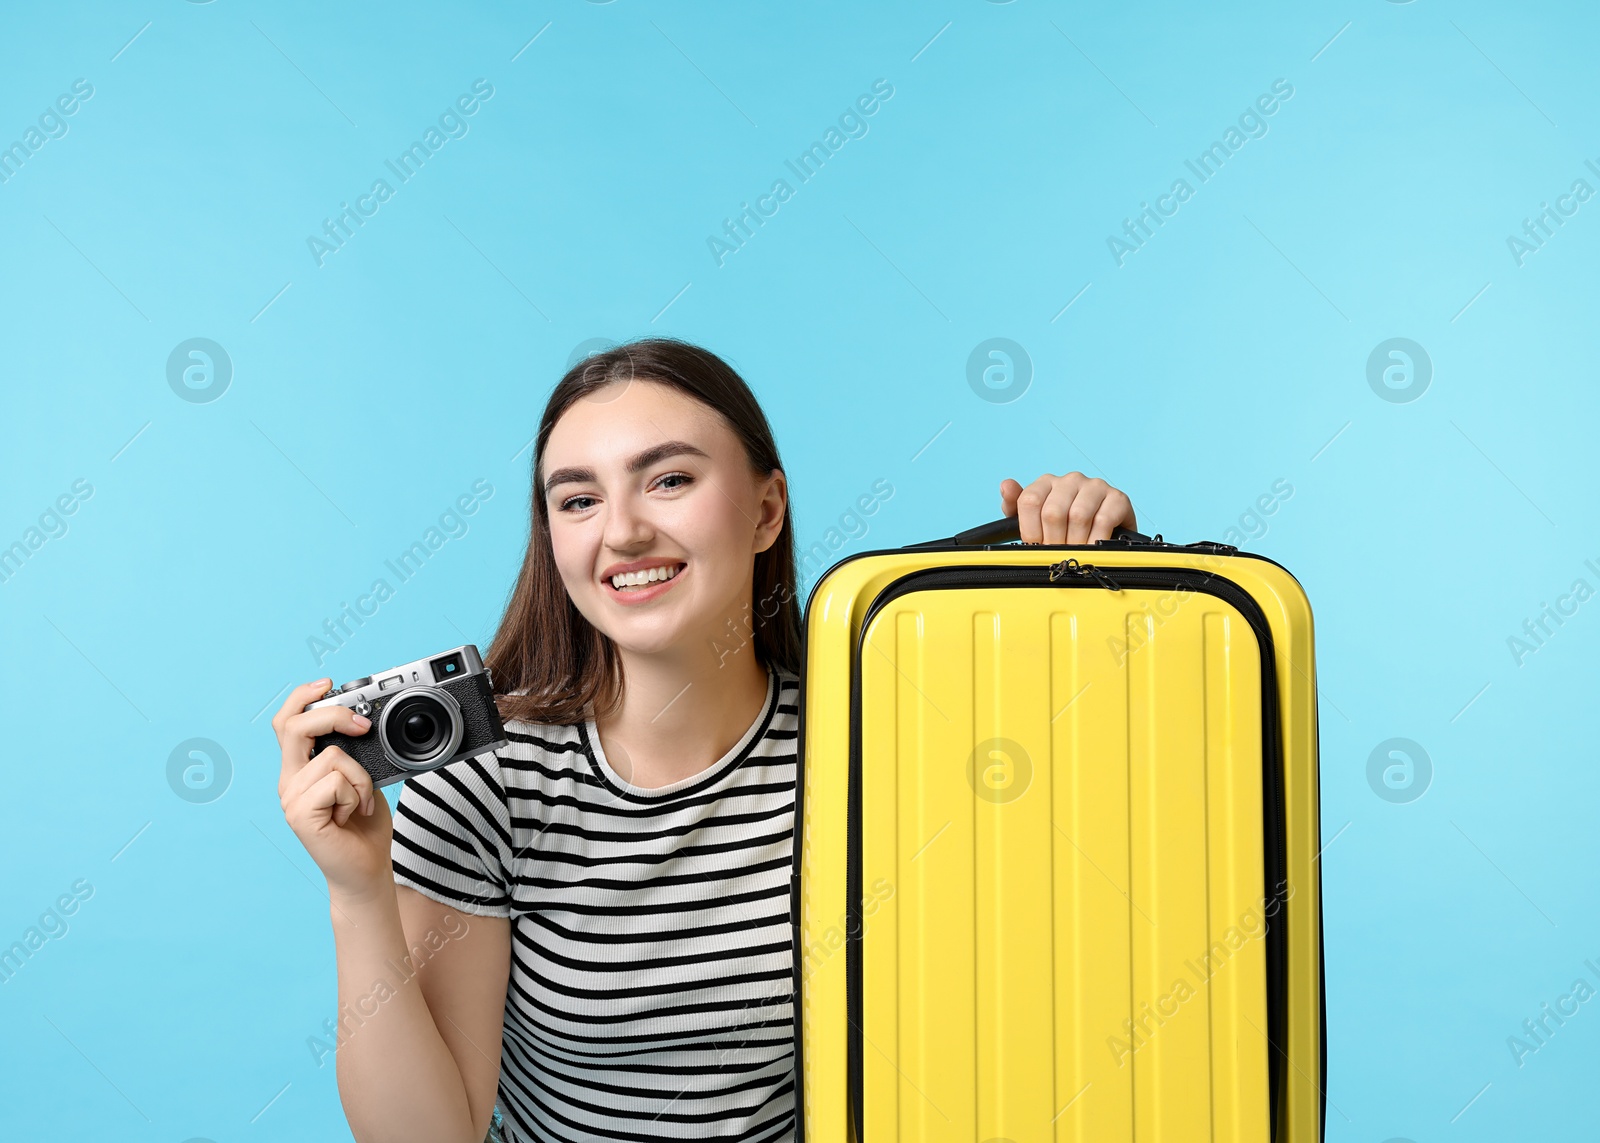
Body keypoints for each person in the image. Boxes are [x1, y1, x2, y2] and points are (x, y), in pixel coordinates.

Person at [273, 338, 1137, 1143]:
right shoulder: (486, 778)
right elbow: (432, 1135)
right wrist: (357, 892)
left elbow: (1076, 913)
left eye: (669, 480)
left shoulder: (880, 750)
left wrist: (1105, 574)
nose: (621, 532)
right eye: (579, 499)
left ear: (767, 509)